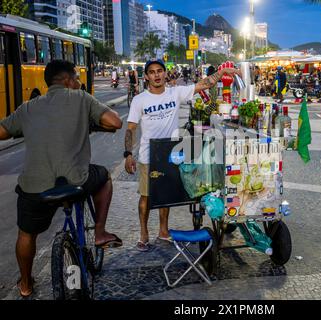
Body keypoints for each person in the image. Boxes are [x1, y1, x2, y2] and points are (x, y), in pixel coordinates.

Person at [0, 60, 123, 298]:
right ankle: (99, 233)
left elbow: (3, 131)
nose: (79, 82)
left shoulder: (28, 107)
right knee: (105, 176)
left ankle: (25, 284)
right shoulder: (80, 98)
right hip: (75, 180)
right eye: (77, 78)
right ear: (68, 80)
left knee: (26, 233)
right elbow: (115, 122)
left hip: (34, 187)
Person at [124, 59, 240, 251]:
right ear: (146, 76)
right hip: (148, 155)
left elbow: (205, 84)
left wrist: (224, 71)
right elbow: (131, 129)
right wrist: (128, 154)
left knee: (165, 195)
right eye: (152, 72)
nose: (156, 75)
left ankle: (163, 231)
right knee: (145, 196)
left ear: (165, 74)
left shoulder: (175, 93)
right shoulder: (139, 100)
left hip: (170, 152)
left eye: (159, 71)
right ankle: (143, 234)